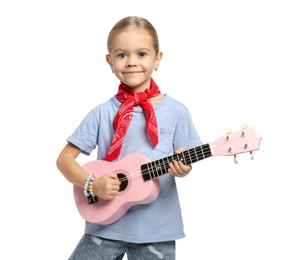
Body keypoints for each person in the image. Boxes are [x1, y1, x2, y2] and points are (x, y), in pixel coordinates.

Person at [56, 16, 202, 260]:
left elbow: (186, 159)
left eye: (142, 54)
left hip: (157, 230)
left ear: (158, 59)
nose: (132, 62)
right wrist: (93, 184)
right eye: (122, 55)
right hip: (103, 226)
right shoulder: (102, 113)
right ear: (109, 61)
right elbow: (64, 160)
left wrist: (182, 168)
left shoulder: (177, 112)